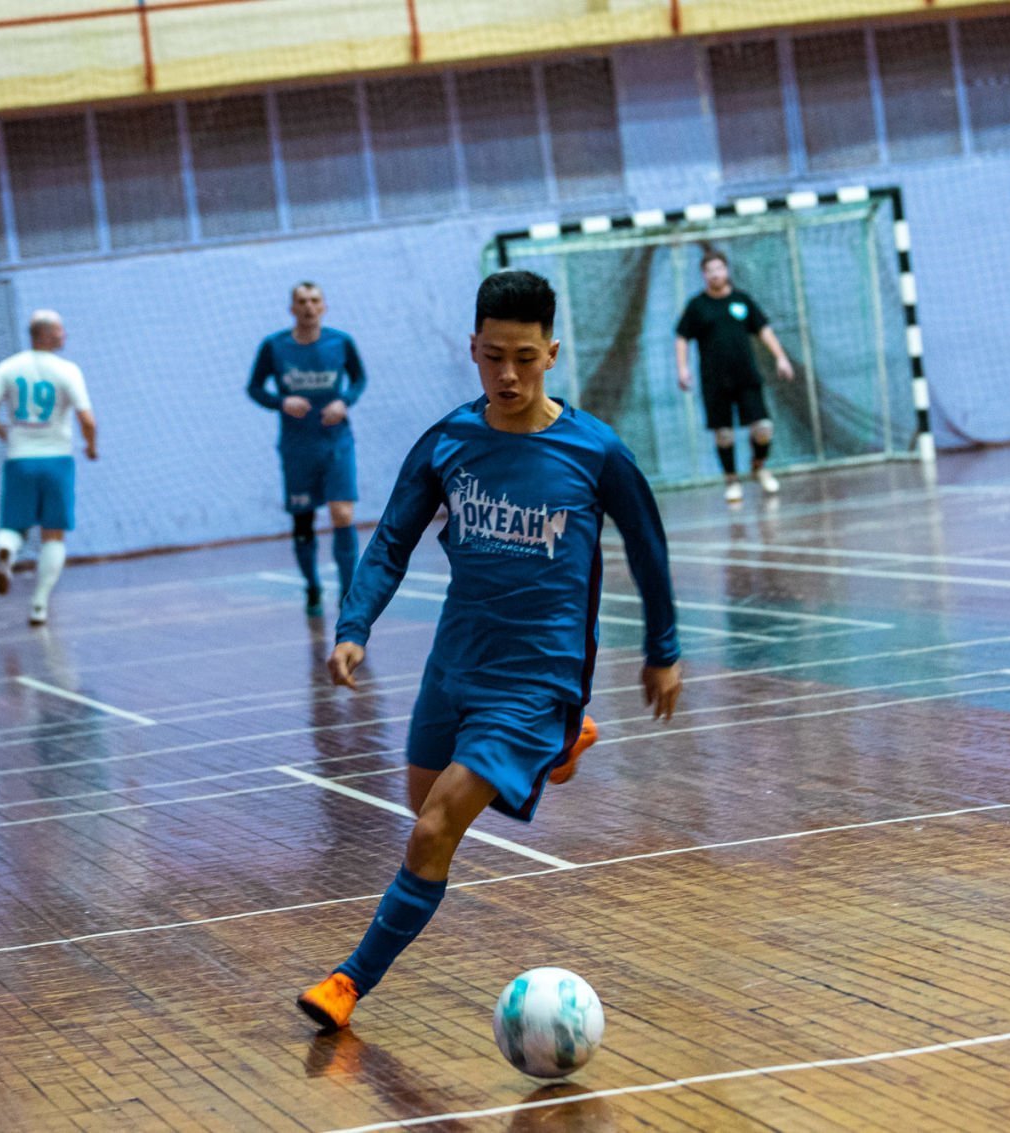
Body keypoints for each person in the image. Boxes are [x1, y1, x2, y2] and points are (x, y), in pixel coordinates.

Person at [295, 269, 682, 1031]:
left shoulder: (595, 451)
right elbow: (393, 538)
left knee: (434, 828)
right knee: (421, 802)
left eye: (526, 358)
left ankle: (347, 982)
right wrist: (353, 626)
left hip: (536, 675)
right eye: (494, 356)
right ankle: (562, 743)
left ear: (552, 354)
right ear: (472, 348)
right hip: (456, 661)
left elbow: (648, 546)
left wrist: (662, 648)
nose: (508, 375)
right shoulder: (449, 441)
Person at [248, 282, 368, 616]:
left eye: (315, 300)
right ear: (292, 309)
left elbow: (359, 380)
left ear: (324, 306)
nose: (309, 307)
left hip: (336, 441)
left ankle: (348, 591)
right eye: (301, 301)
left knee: (342, 513)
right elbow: (254, 388)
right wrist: (281, 402)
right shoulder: (274, 346)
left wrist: (345, 401)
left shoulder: (340, 342)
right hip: (297, 446)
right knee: (304, 519)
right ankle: (312, 585)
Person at [0, 309, 97, 626]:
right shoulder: (67, 370)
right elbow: (87, 420)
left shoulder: (7, 367)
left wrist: (3, 432)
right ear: (44, 334)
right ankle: (39, 605)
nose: (64, 335)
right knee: (53, 534)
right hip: (57, 460)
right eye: (59, 330)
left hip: (19, 458)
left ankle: (6, 552)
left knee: (13, 525)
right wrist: (91, 446)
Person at [674, 250, 797, 502]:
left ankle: (759, 466)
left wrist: (781, 357)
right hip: (715, 380)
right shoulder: (697, 306)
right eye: (709, 270)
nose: (715, 274)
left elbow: (763, 329)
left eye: (719, 268)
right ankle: (731, 480)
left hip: (746, 376)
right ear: (703, 274)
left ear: (726, 270)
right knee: (723, 433)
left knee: (763, 428)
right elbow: (682, 337)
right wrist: (682, 368)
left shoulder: (742, 300)